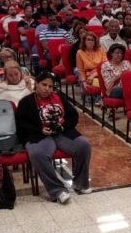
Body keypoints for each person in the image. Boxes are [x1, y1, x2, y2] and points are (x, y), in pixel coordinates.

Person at [16, 72, 92, 203]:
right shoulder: (26, 102)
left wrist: (62, 127)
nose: (47, 89)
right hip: (39, 135)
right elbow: (20, 123)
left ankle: (80, 183)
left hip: (62, 133)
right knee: (37, 153)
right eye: (44, 85)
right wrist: (39, 129)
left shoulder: (59, 97)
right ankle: (57, 190)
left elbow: (73, 116)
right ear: (36, 84)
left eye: (50, 86)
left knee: (84, 144)